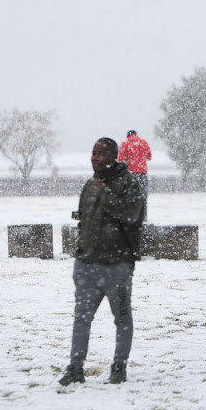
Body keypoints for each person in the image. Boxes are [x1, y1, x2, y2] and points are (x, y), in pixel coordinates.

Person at [59, 138, 145, 386]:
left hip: (117, 265)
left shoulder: (129, 183)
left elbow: (132, 216)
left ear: (114, 157)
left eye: (101, 154)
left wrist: (105, 195)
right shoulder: (90, 185)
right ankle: (75, 368)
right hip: (87, 264)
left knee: (122, 318)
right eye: (93, 153)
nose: (95, 158)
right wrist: (81, 251)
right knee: (81, 318)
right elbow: (83, 219)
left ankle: (119, 367)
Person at [117, 129, 152, 220]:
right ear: (136, 135)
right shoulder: (143, 143)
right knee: (143, 196)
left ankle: (131, 217)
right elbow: (149, 156)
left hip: (130, 174)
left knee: (130, 197)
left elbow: (120, 159)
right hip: (142, 173)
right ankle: (143, 217)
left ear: (128, 136)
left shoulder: (125, 144)